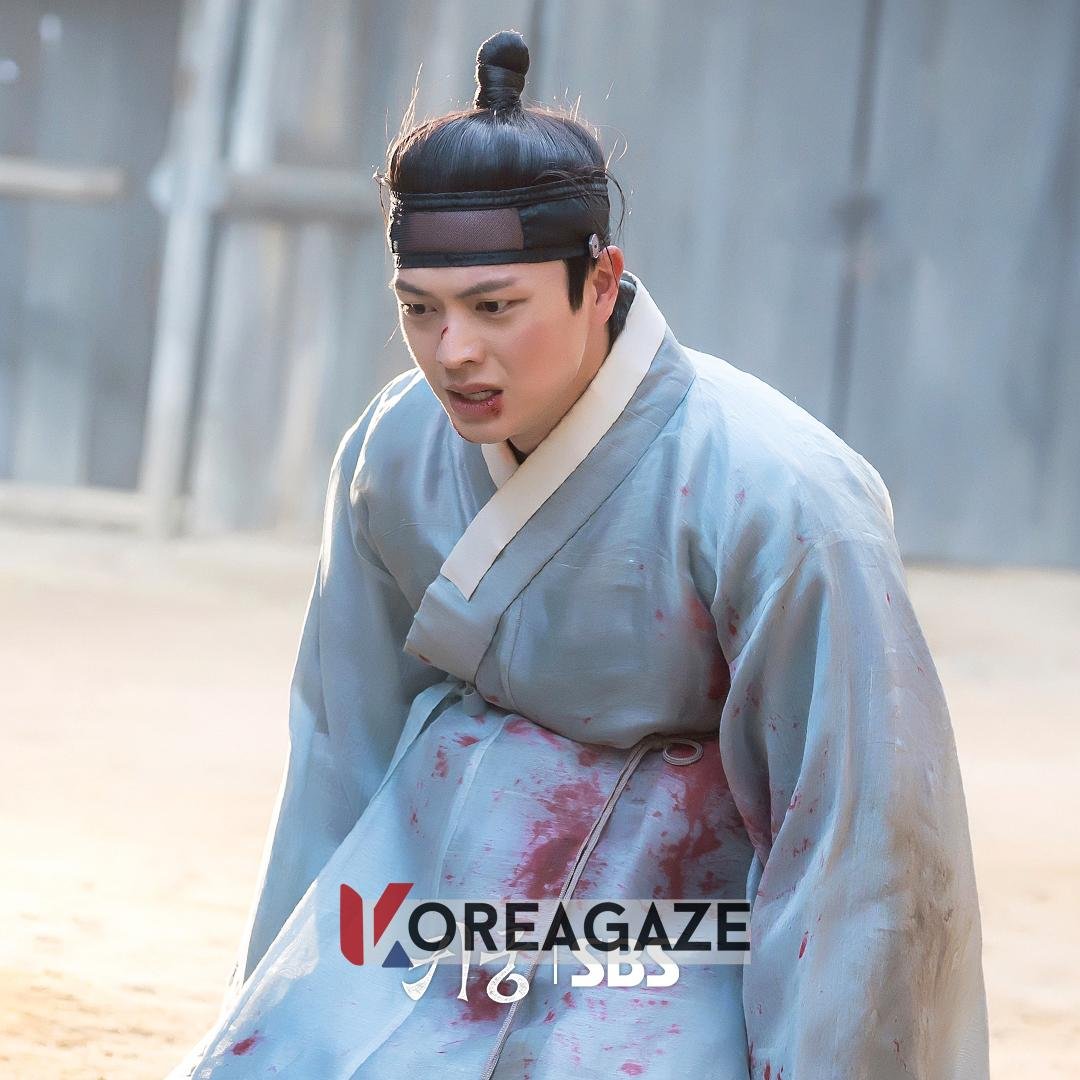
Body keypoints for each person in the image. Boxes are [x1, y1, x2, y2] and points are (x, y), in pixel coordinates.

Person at [168, 28, 990, 1080]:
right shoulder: (394, 449)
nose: (454, 352)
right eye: (420, 310)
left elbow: (853, 840)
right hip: (444, 884)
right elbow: (342, 753)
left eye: (495, 307)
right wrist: (280, 1000)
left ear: (600, 282)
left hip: (686, 915)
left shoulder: (780, 494)